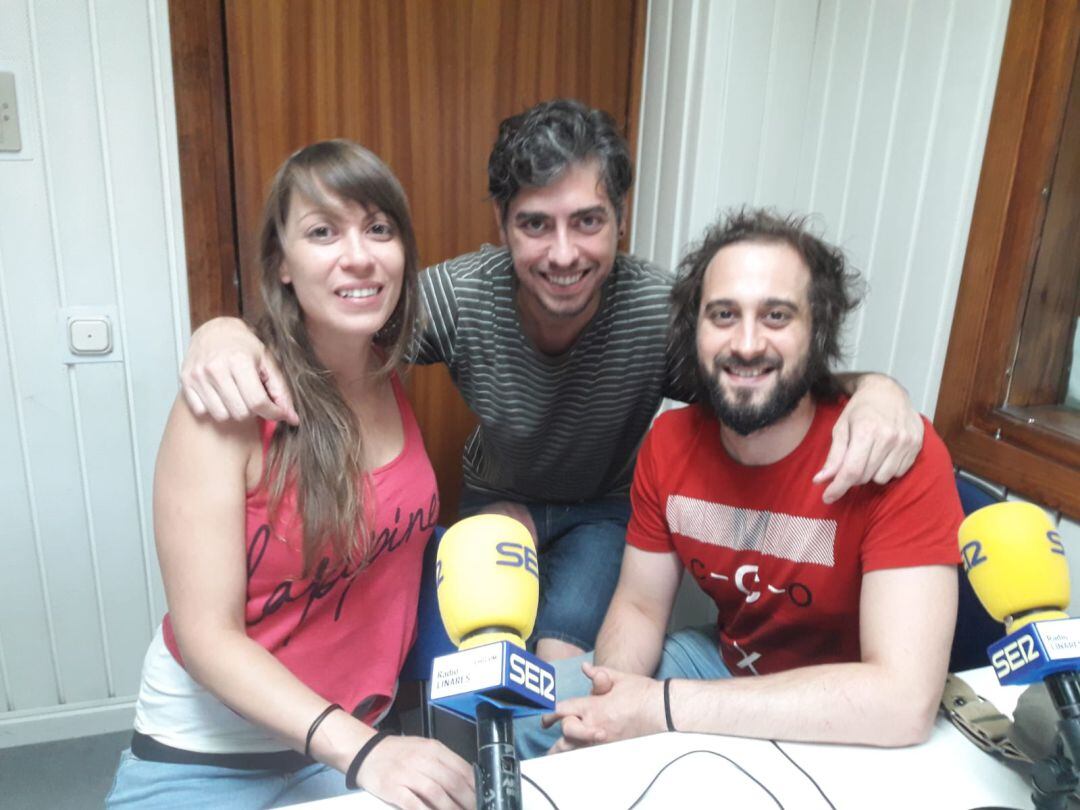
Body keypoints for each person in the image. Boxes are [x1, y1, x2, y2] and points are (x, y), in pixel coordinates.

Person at [177, 100, 925, 663]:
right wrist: (229, 330)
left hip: (604, 515)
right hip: (497, 505)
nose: (563, 253)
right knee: (471, 671)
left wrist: (873, 386)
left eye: (588, 222)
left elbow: (762, 372)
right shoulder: (460, 297)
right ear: (502, 223)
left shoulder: (660, 312)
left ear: (620, 221)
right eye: (536, 224)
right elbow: (337, 331)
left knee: (561, 667)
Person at [106, 141, 474, 810]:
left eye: (379, 229)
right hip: (210, 756)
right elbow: (206, 637)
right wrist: (365, 752)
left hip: (347, 745)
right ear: (281, 263)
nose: (358, 254)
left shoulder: (387, 372)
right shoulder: (228, 404)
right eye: (323, 231)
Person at [518, 208, 961, 758]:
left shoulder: (895, 455)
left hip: (852, 714)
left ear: (817, 330)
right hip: (716, 666)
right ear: (693, 329)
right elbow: (638, 606)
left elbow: (902, 701)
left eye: (776, 316)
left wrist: (660, 709)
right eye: (723, 315)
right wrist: (607, 711)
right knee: (524, 725)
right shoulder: (669, 443)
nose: (747, 343)